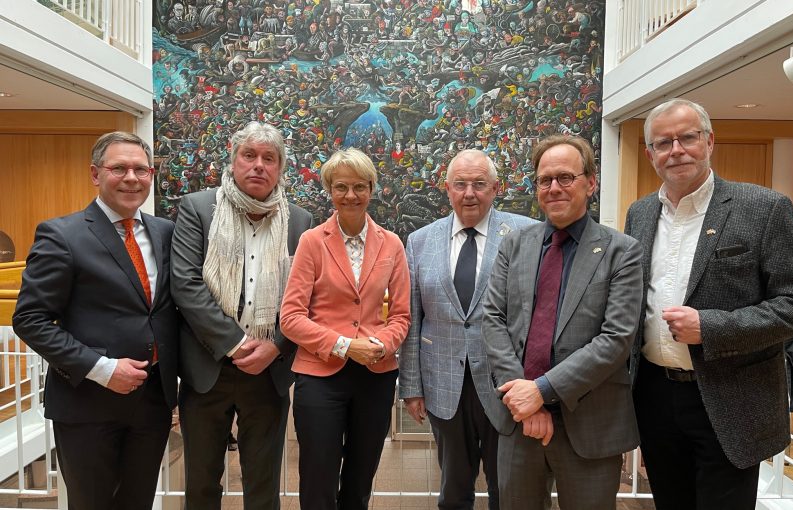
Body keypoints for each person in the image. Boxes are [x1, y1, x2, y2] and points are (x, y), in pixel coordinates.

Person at [625, 98, 793, 509]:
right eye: (664, 143)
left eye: (687, 137)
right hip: (655, 397)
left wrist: (712, 327)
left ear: (709, 141)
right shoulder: (640, 214)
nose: (676, 149)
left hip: (731, 400)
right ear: (650, 155)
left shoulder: (764, 208)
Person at [12, 132, 178, 510]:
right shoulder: (62, 235)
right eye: (119, 168)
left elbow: (167, 312)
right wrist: (102, 369)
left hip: (152, 403)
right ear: (95, 174)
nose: (132, 178)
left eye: (141, 169)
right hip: (87, 404)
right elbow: (30, 319)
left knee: (138, 502)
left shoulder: (165, 232)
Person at [482, 135, 643, 510]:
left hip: (589, 425)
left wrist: (542, 391)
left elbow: (616, 338)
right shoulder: (515, 245)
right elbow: (493, 319)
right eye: (544, 179)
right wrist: (524, 399)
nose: (554, 188)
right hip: (518, 421)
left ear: (591, 182)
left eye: (566, 177)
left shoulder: (622, 251)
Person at [171, 121, 312, 510]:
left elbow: (304, 298)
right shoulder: (198, 208)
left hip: (268, 373)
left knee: (263, 485)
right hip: (207, 367)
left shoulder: (299, 221)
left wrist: (275, 347)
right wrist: (235, 344)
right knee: (201, 485)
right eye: (249, 156)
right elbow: (185, 284)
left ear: (281, 168)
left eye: (269, 159)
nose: (258, 166)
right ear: (232, 161)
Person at [398, 149, 536, 510]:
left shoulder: (526, 234)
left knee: (506, 489)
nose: (469, 193)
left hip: (506, 385)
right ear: (447, 189)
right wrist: (412, 387)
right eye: (460, 184)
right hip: (444, 385)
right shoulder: (420, 241)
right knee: (453, 492)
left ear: (496, 188)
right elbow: (413, 319)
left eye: (479, 184)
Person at [280, 148, 411, 510]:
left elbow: (401, 315)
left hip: (375, 375)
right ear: (329, 190)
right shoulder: (311, 242)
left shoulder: (392, 244)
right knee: (318, 480)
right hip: (320, 377)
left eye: (359, 187)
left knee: (359, 480)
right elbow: (290, 317)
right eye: (341, 187)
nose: (350, 195)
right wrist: (344, 345)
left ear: (372, 188)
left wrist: (380, 345)